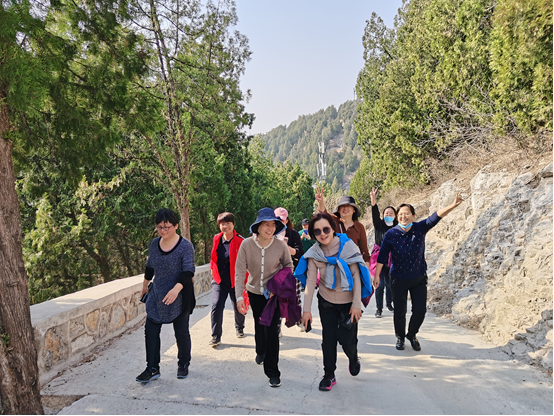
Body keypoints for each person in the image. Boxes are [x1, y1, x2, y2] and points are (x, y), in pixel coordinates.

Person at [375, 193, 464, 351]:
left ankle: (412, 334)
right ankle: (400, 337)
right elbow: (382, 257)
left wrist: (452, 205)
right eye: (400, 214)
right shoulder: (391, 234)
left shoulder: (420, 228)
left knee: (420, 310)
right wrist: (376, 276)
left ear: (413, 215)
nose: (403, 217)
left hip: (418, 278)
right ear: (397, 217)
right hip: (398, 279)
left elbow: (435, 217)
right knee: (400, 312)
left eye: (407, 213)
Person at [295, 212, 370, 392]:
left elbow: (356, 276)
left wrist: (356, 305)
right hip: (326, 301)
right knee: (328, 339)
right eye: (317, 231)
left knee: (346, 339)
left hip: (348, 303)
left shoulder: (348, 247)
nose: (322, 234)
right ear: (313, 234)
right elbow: (310, 282)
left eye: (326, 229)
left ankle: (353, 357)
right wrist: (306, 311)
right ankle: (329, 374)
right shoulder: (315, 253)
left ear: (333, 229)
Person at [235, 208, 293, 388]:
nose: (270, 228)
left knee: (272, 331)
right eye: (266, 224)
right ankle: (260, 350)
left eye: (273, 225)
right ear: (258, 227)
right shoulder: (246, 245)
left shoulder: (280, 246)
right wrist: (239, 296)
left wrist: (278, 285)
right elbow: (239, 271)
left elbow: (288, 266)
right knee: (260, 325)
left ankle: (273, 372)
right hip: (254, 293)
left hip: (273, 295)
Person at [136, 208, 196, 383]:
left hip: (180, 295)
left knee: (181, 333)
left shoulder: (185, 246)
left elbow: (188, 270)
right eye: (160, 227)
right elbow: (150, 266)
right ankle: (152, 368)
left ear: (176, 226)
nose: (163, 230)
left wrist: (176, 289)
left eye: (167, 227)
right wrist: (145, 285)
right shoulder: (154, 244)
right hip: (157, 294)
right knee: (150, 331)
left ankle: (183, 363)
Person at [209, 212, 246, 347]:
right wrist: (213, 270)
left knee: (238, 306)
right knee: (216, 305)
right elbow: (213, 257)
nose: (225, 226)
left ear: (233, 224)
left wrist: (245, 282)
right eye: (222, 224)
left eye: (228, 223)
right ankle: (216, 336)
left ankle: (239, 327)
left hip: (236, 281)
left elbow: (247, 262)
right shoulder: (216, 239)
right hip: (219, 280)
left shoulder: (241, 241)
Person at [315, 187, 371, 269]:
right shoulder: (333, 221)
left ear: (354, 210)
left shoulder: (359, 227)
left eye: (348, 206)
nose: (345, 208)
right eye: (342, 206)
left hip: (353, 267)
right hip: (334, 266)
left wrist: (367, 272)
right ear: (338, 210)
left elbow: (364, 252)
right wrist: (321, 202)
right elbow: (323, 214)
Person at [274, 207, 304, 332]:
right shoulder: (270, 233)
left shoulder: (293, 234)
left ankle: (298, 320)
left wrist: (287, 247)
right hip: (275, 272)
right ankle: (277, 327)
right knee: (276, 300)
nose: (280, 222)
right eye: (277, 220)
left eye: (282, 220)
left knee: (295, 298)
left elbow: (300, 253)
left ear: (287, 220)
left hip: (292, 271)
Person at [369, 187, 397, 318]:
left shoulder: (398, 227)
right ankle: (379, 308)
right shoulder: (379, 225)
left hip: (392, 259)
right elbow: (375, 213)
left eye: (391, 213)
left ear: (395, 216)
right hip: (379, 258)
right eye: (386, 213)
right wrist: (373, 200)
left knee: (390, 284)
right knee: (379, 285)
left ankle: (389, 304)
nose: (388, 215)